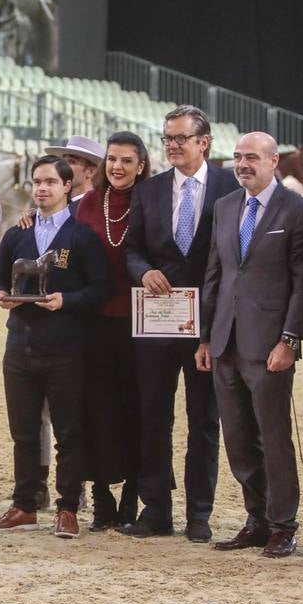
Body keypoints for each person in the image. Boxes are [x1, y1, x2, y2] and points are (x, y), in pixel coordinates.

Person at [195, 132, 303, 558]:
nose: (243, 164)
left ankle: (284, 525)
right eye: (237, 157)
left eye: (251, 157)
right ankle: (257, 519)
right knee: (238, 437)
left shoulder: (300, 211)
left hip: (270, 346)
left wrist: (290, 340)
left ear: (272, 163)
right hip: (225, 341)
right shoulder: (225, 207)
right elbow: (215, 275)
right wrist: (206, 337)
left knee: (273, 436)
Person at [120, 105, 239, 542]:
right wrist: (142, 271)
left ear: (203, 142)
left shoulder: (230, 186)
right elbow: (131, 249)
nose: (171, 145)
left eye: (180, 138)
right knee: (153, 416)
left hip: (208, 326)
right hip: (157, 323)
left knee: (204, 421)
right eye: (167, 138)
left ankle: (199, 514)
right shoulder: (148, 190)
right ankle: (156, 510)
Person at [0, 156, 111, 539]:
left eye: (50, 182)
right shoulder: (16, 235)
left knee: (68, 432)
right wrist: (1, 295)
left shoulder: (82, 237)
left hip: (65, 349)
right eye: (37, 182)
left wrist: (65, 301)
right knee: (23, 432)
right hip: (19, 346)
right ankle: (24, 505)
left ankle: (68, 508)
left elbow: (101, 288)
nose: (41, 188)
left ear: (67, 187)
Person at [73, 131, 151, 529]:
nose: (117, 167)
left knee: (135, 411)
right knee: (96, 411)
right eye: (112, 160)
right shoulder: (87, 203)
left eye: (126, 161)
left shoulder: (153, 200)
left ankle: (132, 499)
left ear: (141, 165)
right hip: (95, 323)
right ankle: (102, 496)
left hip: (142, 325)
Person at [45, 135, 104, 206]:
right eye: (63, 160)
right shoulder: (57, 204)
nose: (63, 165)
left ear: (91, 172)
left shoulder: (95, 209)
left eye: (71, 161)